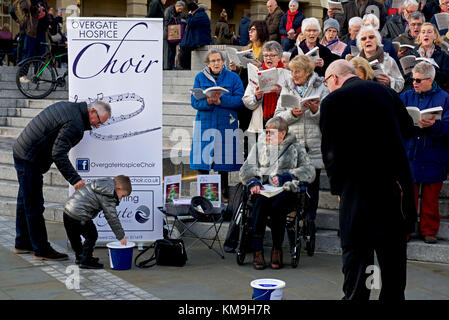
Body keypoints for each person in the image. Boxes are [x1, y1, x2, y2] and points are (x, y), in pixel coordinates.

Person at [320, 59, 416, 300]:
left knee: (357, 253)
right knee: (392, 256)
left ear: (334, 78)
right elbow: (407, 127)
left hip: (357, 189)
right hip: (393, 186)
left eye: (326, 82)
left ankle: (355, 297)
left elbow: (330, 152)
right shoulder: (386, 92)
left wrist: (337, 187)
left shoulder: (332, 101)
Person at [12, 100, 112, 261]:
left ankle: (22, 243)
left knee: (25, 201)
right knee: (34, 205)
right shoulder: (76, 124)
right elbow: (58, 153)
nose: (98, 126)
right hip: (29, 158)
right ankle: (41, 250)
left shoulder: (71, 108)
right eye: (99, 121)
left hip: (23, 150)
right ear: (92, 111)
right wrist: (75, 179)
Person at [239, 117, 315, 270]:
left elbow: (309, 171)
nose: (268, 136)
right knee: (259, 201)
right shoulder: (260, 146)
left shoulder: (296, 148)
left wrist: (286, 177)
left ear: (283, 134)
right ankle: (257, 250)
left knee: (279, 204)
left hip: (285, 191)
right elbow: (245, 169)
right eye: (267, 132)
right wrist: (254, 182)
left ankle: (276, 248)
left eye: (271, 133)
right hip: (263, 190)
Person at [274, 55, 329, 225]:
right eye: (291, 71)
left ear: (307, 72)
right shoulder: (287, 87)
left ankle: (309, 219)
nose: (294, 75)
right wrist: (291, 114)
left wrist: (315, 111)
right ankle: (293, 216)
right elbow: (277, 117)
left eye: (297, 71)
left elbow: (329, 117)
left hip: (313, 144)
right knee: (291, 182)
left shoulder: (321, 87)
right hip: (293, 145)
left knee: (312, 184)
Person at [400, 62, 449, 244]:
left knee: (430, 198)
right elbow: (396, 121)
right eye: (413, 79)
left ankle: (429, 230)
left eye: (419, 80)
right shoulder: (405, 96)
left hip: (434, 154)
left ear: (430, 80)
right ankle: (407, 229)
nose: (414, 83)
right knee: (408, 198)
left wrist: (435, 126)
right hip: (411, 152)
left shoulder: (445, 99)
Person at [190, 49, 244, 200]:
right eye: (213, 61)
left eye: (219, 60)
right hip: (205, 122)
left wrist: (222, 101)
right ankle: (204, 195)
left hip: (225, 122)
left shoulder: (233, 77)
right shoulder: (200, 77)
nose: (216, 63)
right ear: (207, 63)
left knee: (224, 160)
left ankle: (224, 194)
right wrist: (207, 101)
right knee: (203, 158)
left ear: (223, 61)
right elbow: (194, 101)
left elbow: (240, 99)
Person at [63, 175, 132, 269]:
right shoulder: (109, 194)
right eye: (122, 195)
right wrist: (121, 236)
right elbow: (112, 218)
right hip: (80, 214)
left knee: (75, 237)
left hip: (67, 210)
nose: (120, 199)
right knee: (92, 235)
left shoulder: (103, 183)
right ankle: (86, 261)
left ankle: (81, 257)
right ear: (118, 188)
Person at [242, 41, 284, 138]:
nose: (268, 58)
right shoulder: (257, 73)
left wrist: (280, 93)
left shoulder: (286, 74)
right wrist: (256, 97)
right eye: (265, 56)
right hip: (261, 122)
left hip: (281, 122)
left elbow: (292, 101)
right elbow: (246, 100)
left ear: (279, 57)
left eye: (272, 55)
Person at [351, 26, 404, 92]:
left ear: (377, 40)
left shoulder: (388, 60)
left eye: (371, 37)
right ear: (360, 43)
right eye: (363, 39)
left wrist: (390, 82)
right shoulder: (354, 62)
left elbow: (401, 82)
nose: (368, 40)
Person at [404, 22, 449, 92]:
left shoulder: (443, 55)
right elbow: (403, 74)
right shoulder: (410, 54)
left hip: (434, 91)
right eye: (423, 32)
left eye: (429, 32)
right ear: (420, 36)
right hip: (413, 91)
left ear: (435, 36)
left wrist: (433, 70)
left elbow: (446, 78)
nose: (426, 34)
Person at [19, 1, 50, 82]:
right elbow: (23, 7)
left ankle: (38, 76)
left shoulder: (43, 1)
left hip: (42, 32)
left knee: (41, 55)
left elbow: (46, 12)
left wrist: (44, 12)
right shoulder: (29, 1)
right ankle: (22, 75)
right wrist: (36, 8)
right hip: (31, 33)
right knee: (28, 54)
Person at [179, 0, 211, 70]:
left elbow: (190, 23)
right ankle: (185, 67)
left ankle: (185, 68)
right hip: (197, 39)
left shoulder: (200, 15)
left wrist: (189, 15)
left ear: (192, 10)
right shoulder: (199, 14)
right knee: (184, 47)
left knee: (185, 50)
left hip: (200, 40)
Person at [163, 1, 186, 70]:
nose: (180, 10)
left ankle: (171, 65)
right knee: (167, 51)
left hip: (175, 34)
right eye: (180, 9)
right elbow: (165, 22)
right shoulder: (168, 10)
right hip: (167, 34)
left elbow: (179, 20)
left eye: (182, 9)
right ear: (176, 6)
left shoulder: (179, 13)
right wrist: (173, 23)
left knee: (173, 51)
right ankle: (166, 66)